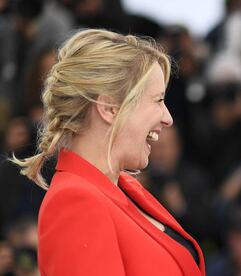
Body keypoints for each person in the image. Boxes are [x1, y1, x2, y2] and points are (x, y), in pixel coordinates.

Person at [11, 29, 205, 276]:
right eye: (157, 100)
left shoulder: (123, 187)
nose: (167, 118)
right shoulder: (75, 202)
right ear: (109, 108)